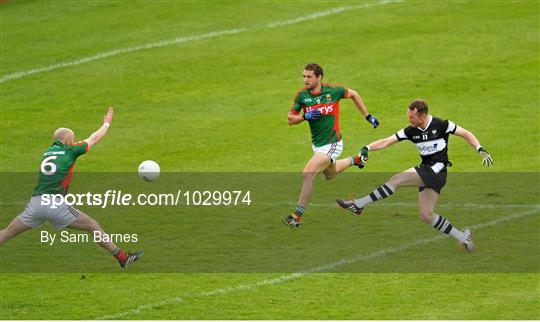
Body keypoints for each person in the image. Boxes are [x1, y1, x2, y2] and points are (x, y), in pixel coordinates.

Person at [336, 99, 494, 252]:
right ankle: (462, 237)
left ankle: (358, 205)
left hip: (436, 171)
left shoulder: (441, 125)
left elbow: (465, 133)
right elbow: (387, 141)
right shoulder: (411, 131)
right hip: (428, 171)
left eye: (412, 117)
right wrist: (367, 148)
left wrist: (479, 148)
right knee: (426, 215)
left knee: (395, 180)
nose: (409, 119)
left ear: (423, 116)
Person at [0, 107, 143, 268]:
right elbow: (94, 138)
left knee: (8, 232)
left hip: (36, 203)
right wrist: (106, 124)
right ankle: (122, 257)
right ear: (68, 140)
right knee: (92, 225)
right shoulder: (71, 150)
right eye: (73, 139)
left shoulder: (47, 153)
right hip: (55, 204)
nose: (74, 142)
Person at [283, 63, 379, 228]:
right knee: (330, 174)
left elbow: (354, 94)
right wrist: (305, 116)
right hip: (318, 146)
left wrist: (367, 115)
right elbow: (290, 119)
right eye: (304, 76)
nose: (305, 80)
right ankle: (356, 159)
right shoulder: (302, 96)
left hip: (333, 143)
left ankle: (297, 216)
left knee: (308, 174)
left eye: (309, 77)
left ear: (319, 77)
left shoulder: (333, 92)